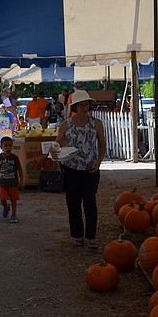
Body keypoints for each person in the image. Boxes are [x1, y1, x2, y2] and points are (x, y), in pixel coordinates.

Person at [53, 89, 106, 249]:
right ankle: (77, 235)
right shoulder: (66, 124)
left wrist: (99, 161)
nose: (84, 107)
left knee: (90, 202)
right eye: (81, 104)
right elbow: (57, 144)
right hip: (71, 168)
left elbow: (102, 145)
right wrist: (54, 152)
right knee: (73, 203)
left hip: (90, 169)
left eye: (87, 104)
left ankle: (91, 237)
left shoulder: (96, 123)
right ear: (75, 107)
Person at [0, 136, 23, 223]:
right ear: (1, 147)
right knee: (2, 199)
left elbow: (19, 169)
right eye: (6, 146)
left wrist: (21, 180)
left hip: (13, 183)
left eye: (10, 145)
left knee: (13, 200)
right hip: (2, 183)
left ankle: (14, 214)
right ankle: (6, 207)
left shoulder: (15, 158)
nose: (8, 148)